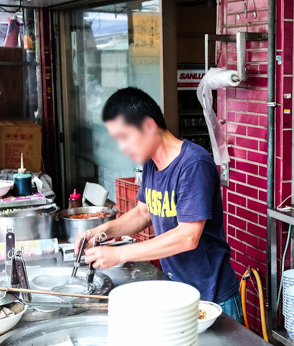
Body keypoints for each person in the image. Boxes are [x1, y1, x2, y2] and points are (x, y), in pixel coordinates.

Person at [76, 87, 242, 322]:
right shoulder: (151, 163)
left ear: (149, 126)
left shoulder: (194, 164)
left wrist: (118, 254)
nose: (122, 148)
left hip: (212, 298)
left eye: (125, 137)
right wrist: (100, 231)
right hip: (178, 291)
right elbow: (143, 212)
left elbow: (188, 236)